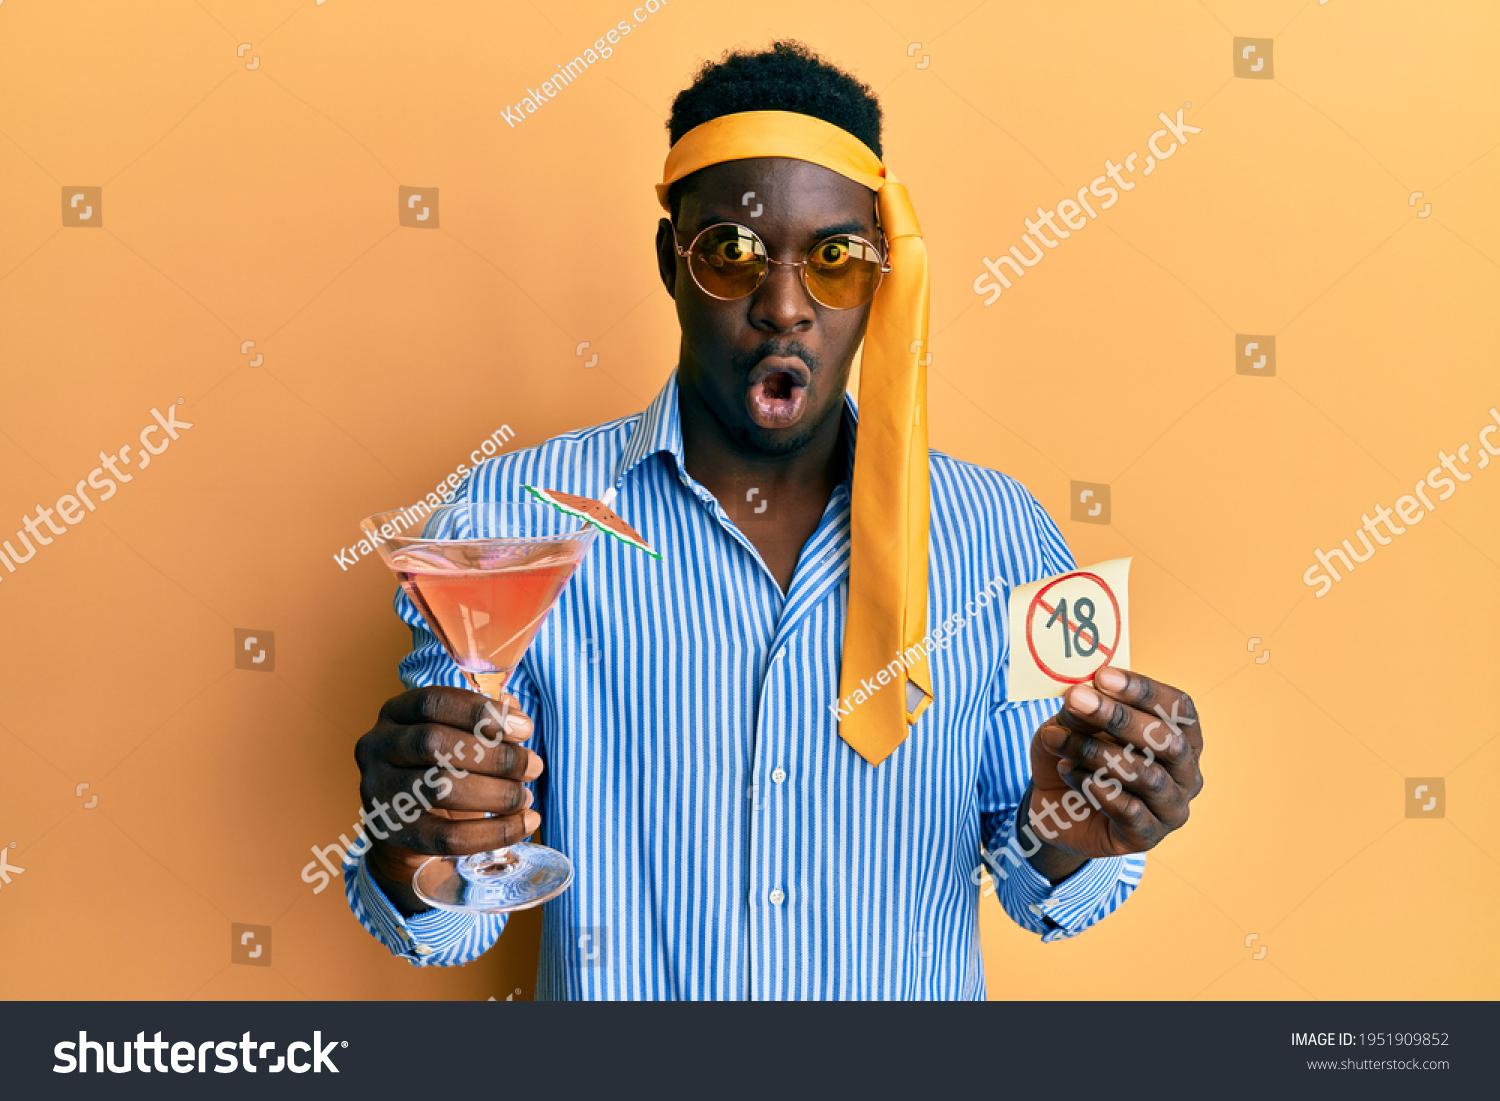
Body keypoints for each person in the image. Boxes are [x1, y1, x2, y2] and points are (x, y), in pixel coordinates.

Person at [347, 40, 1205, 999]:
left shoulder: (1002, 537)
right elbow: (446, 920)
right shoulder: (510, 518)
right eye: (731, 252)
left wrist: (1078, 829)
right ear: (671, 262)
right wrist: (413, 842)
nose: (785, 306)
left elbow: (1039, 887)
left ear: (881, 278)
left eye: (835, 258)